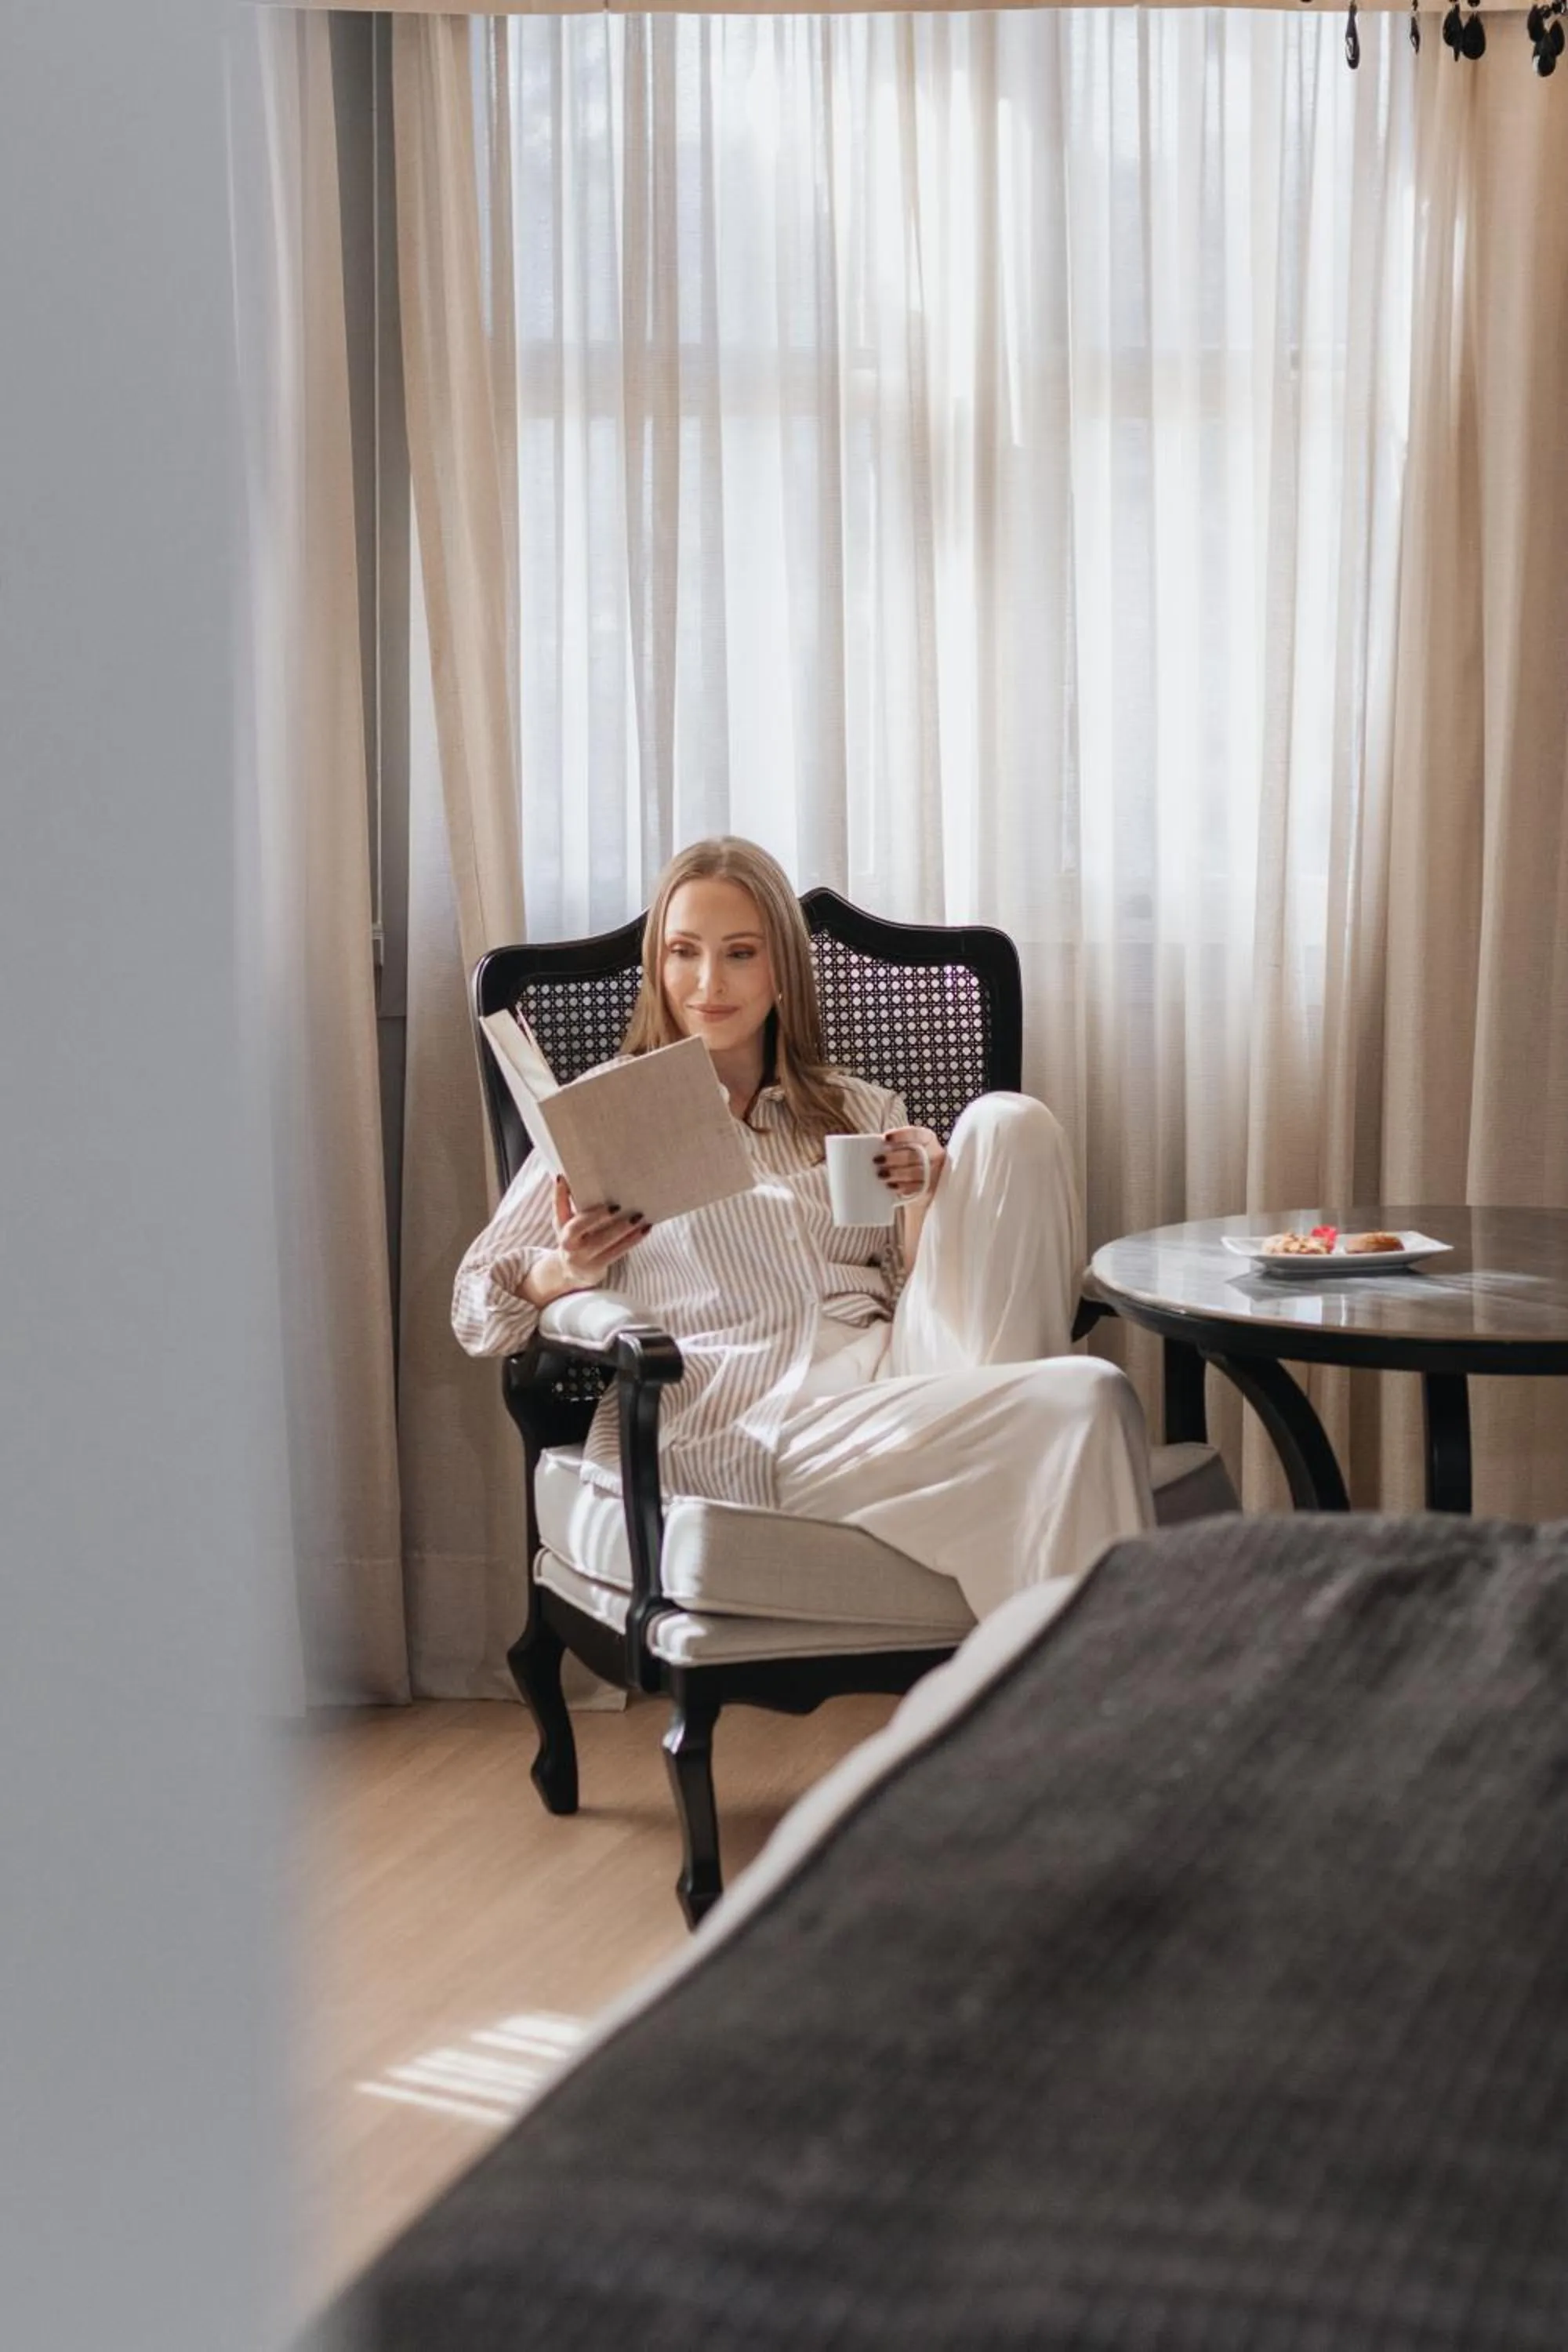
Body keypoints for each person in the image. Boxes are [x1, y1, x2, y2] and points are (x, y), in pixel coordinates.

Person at [452, 837, 1154, 1620]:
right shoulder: (605, 1116)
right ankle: (1105, 1710)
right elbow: (474, 1308)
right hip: (752, 1420)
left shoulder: (857, 1111)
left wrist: (926, 1189)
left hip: (905, 1381)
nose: (707, 983)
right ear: (659, 968)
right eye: (683, 953)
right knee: (1087, 1396)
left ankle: (1058, 1703)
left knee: (1008, 1123)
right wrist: (564, 1271)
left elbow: (922, 1291)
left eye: (740, 954)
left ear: (780, 970)